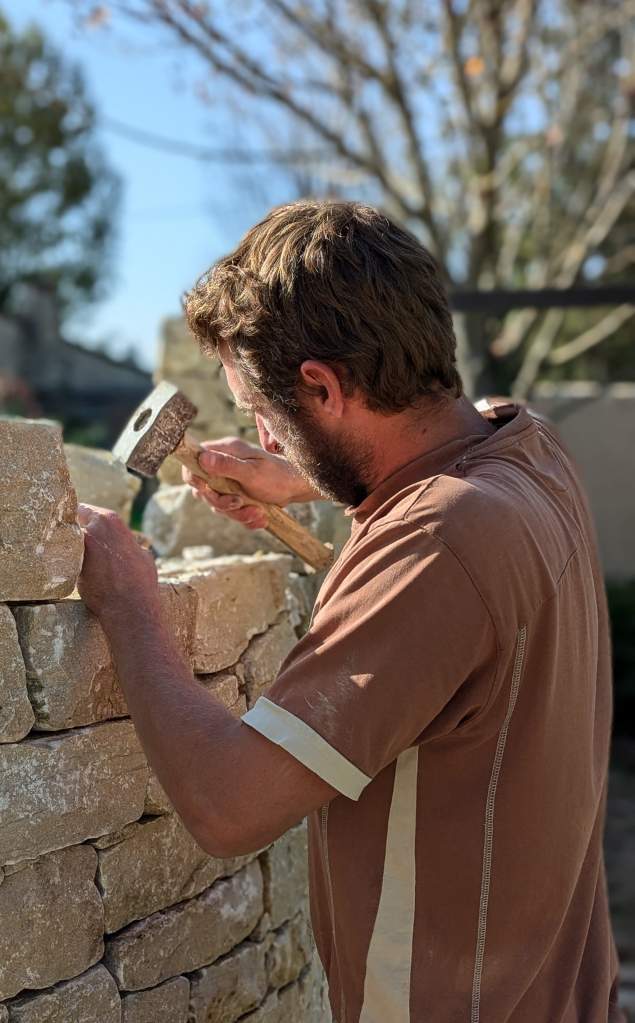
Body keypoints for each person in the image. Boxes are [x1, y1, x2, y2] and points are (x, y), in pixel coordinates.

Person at [75, 202, 622, 1022]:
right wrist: (303, 475)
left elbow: (228, 805)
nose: (265, 435)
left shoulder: (439, 544)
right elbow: (446, 453)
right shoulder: (530, 447)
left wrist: (127, 603)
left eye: (264, 413)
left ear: (323, 387)